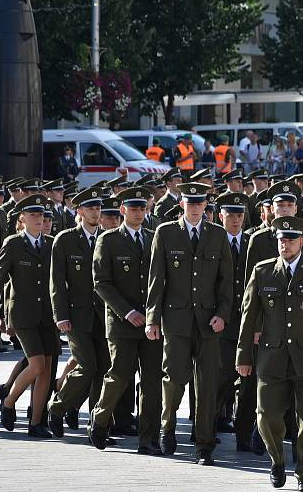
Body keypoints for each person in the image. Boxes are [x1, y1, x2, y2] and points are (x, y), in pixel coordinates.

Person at [237, 216, 303, 492]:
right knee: (266, 414)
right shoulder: (263, 271)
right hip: (271, 357)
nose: (286, 243)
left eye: (291, 239)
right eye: (282, 239)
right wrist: (243, 356)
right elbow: (248, 317)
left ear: (302, 241)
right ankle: (277, 460)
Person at [146, 182, 233, 466]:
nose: (195, 207)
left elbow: (226, 283)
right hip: (176, 320)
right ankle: (167, 427)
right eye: (190, 202)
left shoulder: (218, 235)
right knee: (174, 379)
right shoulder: (166, 232)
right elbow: (157, 280)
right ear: (182, 204)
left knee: (207, 384)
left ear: (206, 205)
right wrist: (152, 318)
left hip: (208, 322)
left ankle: (204, 445)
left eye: (200, 203)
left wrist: (223, 313)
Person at [87, 186, 163, 453]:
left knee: (152, 382)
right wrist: (128, 312)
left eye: (143, 208)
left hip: (151, 323)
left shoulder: (155, 238)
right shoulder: (108, 240)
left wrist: (154, 314)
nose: (139, 213)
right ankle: (100, 418)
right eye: (133, 208)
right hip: (122, 323)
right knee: (119, 375)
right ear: (122, 210)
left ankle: (149, 438)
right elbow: (101, 283)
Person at [0, 194, 58, 439]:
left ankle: (35, 422)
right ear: (21, 218)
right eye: (33, 215)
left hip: (48, 314)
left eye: (41, 216)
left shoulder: (51, 243)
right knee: (36, 364)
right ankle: (10, 401)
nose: (38, 220)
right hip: (22, 314)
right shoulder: (13, 244)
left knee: (46, 370)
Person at [47, 187, 111, 441]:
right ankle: (58, 407)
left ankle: (97, 424)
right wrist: (60, 314)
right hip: (75, 316)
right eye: (91, 208)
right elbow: (57, 281)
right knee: (87, 365)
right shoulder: (65, 239)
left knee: (104, 369)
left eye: (98, 208)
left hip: (104, 316)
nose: (96, 212)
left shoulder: (108, 237)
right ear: (80, 211)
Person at [212, 192, 250, 446]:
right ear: (220, 216)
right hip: (221, 320)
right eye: (230, 215)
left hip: (248, 320)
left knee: (248, 379)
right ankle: (207, 426)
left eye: (239, 215)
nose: (235, 220)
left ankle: (244, 434)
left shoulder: (252, 242)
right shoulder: (212, 241)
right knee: (221, 376)